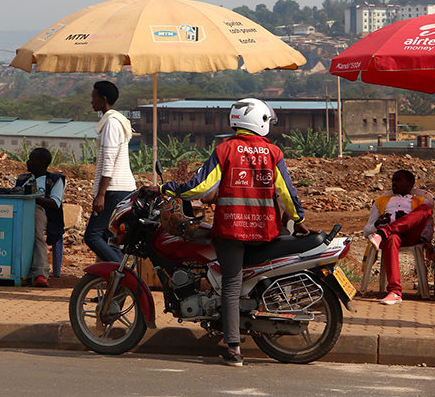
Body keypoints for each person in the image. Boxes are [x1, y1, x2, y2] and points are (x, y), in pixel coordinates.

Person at [156, 98, 308, 367]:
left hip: (231, 231)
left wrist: (167, 189)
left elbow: (200, 187)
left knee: (231, 286)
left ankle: (234, 348)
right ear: (260, 121)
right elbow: (287, 192)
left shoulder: (225, 149)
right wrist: (298, 218)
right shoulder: (273, 153)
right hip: (264, 232)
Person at [364, 170, 434, 305]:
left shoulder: (420, 201)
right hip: (389, 238)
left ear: (410, 184)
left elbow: (427, 233)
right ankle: (395, 292)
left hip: (410, 235)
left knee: (426, 209)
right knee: (392, 238)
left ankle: (385, 231)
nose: (394, 183)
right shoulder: (381, 201)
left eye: (398, 180)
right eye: (393, 180)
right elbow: (367, 231)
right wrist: (378, 224)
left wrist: (408, 222)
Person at [84, 81, 136, 262]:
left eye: (94, 98)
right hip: (122, 188)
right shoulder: (115, 121)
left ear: (103, 99)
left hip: (114, 188)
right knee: (108, 236)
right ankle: (113, 277)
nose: (92, 102)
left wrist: (101, 194)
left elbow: (108, 160)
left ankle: (120, 271)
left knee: (92, 235)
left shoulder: (112, 124)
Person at [15, 148, 65, 288]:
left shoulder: (54, 180)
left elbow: (55, 203)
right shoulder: (22, 179)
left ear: (42, 162)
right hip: (19, 209)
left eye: (31, 159)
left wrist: (33, 198)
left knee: (36, 233)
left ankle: (40, 273)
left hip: (39, 210)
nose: (27, 162)